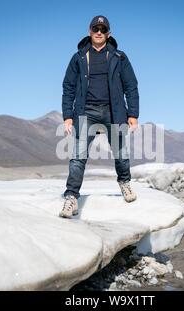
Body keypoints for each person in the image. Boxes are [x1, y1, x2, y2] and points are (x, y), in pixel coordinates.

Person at [59, 15, 140, 218]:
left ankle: (124, 183)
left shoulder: (120, 57)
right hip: (86, 112)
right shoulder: (78, 57)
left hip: (114, 112)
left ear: (108, 34)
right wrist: (67, 115)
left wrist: (133, 113)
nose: (99, 32)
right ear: (89, 31)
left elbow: (131, 86)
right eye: (96, 28)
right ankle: (71, 198)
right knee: (78, 156)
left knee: (120, 153)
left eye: (103, 30)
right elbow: (68, 87)